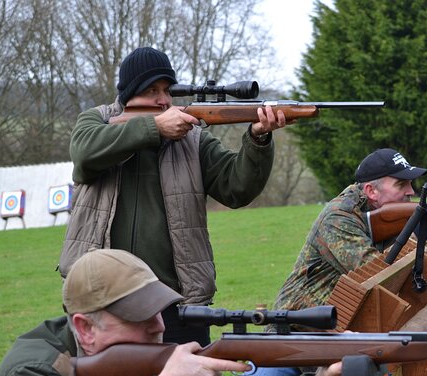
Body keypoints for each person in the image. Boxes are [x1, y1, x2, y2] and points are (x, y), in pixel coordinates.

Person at [0, 249, 341, 376]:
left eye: (160, 311)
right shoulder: (31, 372)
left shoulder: (145, 359)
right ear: (85, 328)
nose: (159, 326)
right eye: (139, 317)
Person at [58, 47, 289, 347]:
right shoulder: (96, 121)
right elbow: (85, 154)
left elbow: (237, 188)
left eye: (167, 90)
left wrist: (258, 138)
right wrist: (154, 127)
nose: (163, 100)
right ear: (128, 93)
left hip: (177, 303)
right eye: (151, 91)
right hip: (103, 299)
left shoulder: (192, 140)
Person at [237, 148, 427, 376]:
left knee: (423, 374)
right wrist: (418, 230)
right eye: (401, 184)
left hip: (354, 334)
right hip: (298, 335)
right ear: (372, 191)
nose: (410, 191)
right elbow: (372, 276)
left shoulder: (396, 217)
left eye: (411, 183)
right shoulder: (338, 217)